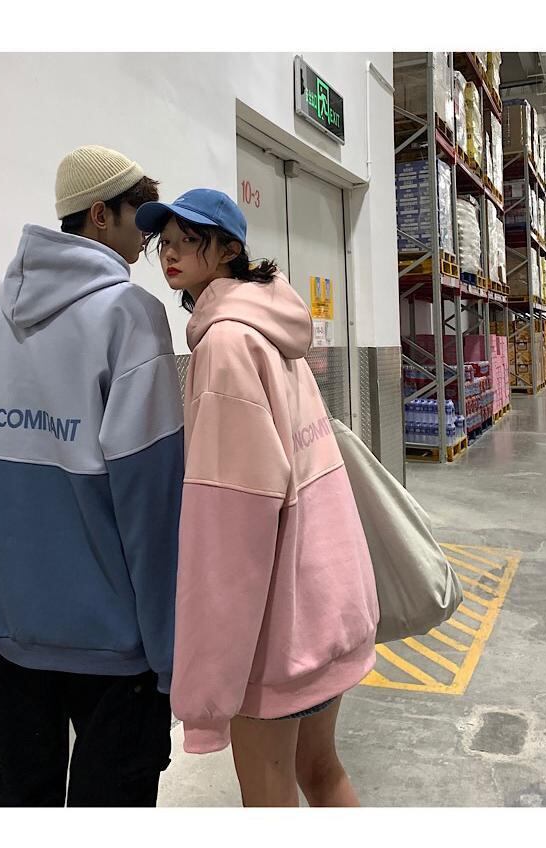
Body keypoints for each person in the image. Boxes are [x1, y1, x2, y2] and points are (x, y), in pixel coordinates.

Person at [0, 145, 184, 807]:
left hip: (16, 637)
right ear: (100, 214)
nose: (148, 238)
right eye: (139, 217)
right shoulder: (131, 316)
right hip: (116, 648)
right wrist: (171, 653)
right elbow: (150, 505)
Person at [136, 189, 380, 808]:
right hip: (329, 600)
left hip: (280, 628)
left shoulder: (224, 345)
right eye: (165, 242)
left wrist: (209, 680)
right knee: (322, 773)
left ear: (229, 249)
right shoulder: (274, 328)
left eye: (188, 240)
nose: (170, 253)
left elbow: (232, 527)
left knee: (268, 799)